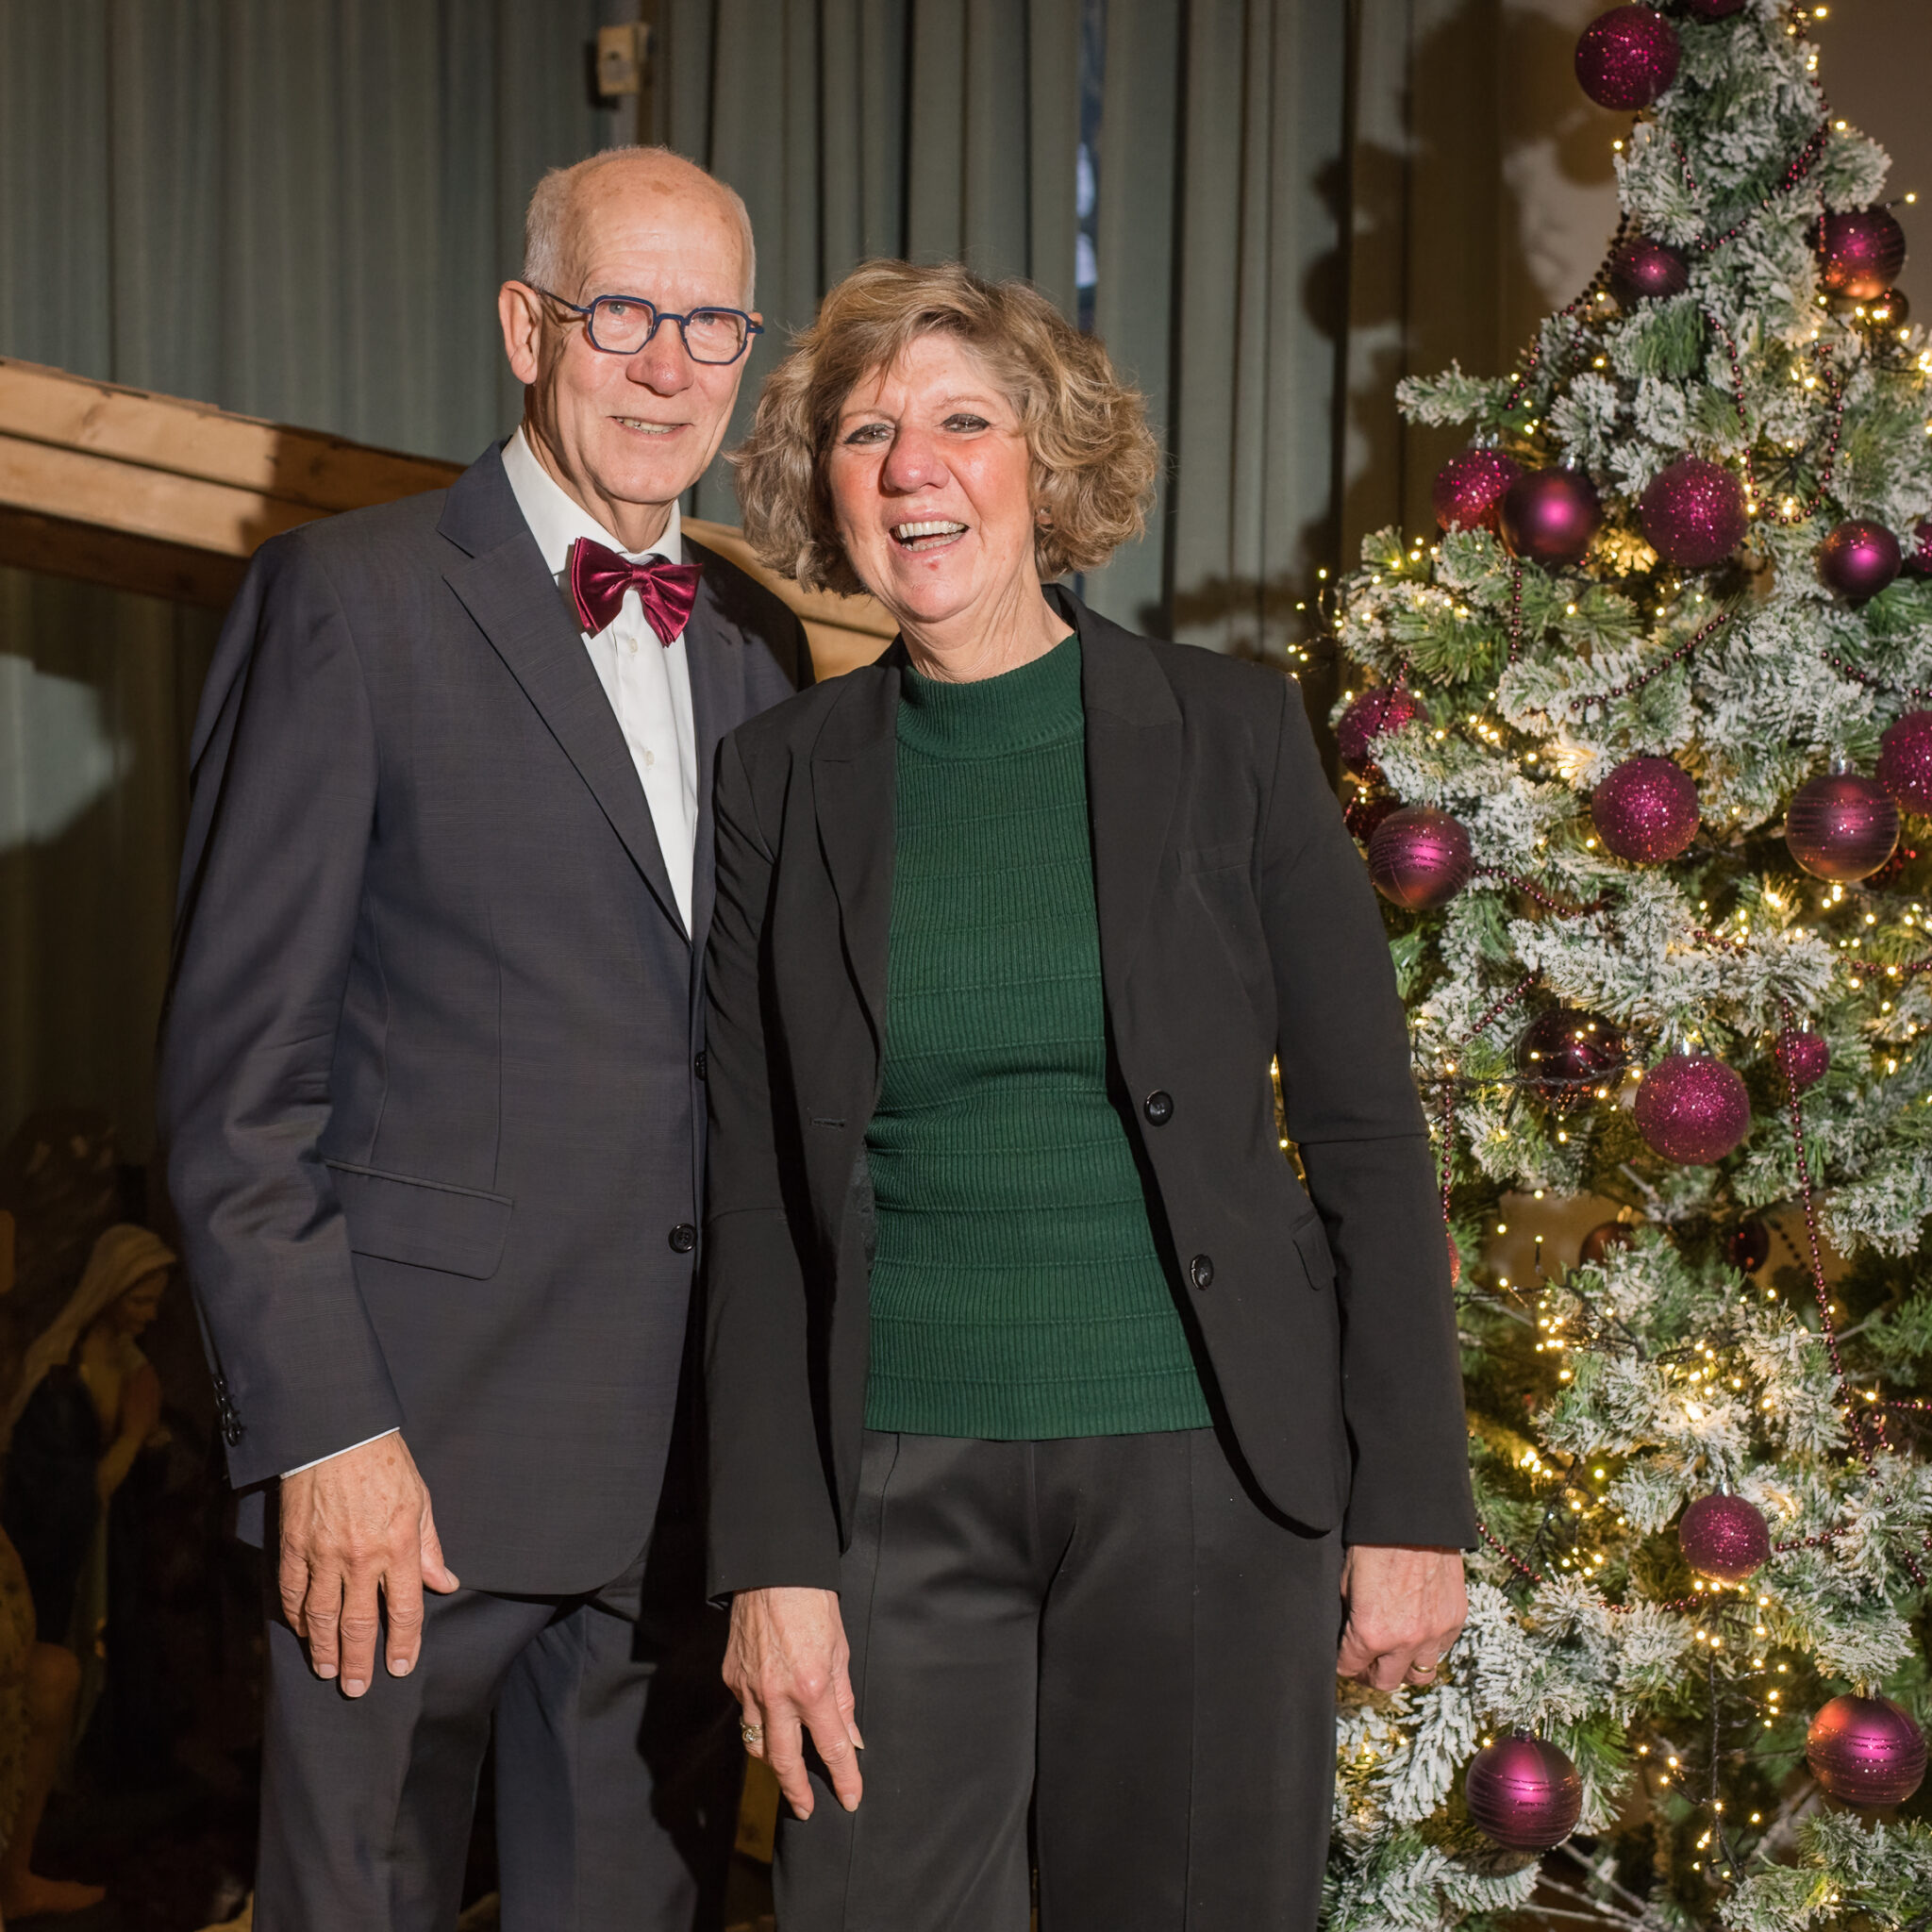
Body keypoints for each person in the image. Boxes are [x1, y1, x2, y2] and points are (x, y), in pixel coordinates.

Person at [704, 259, 1477, 1930]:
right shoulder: (775, 778)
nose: (914, 469)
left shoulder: (1232, 734)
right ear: (824, 489)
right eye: (866, 434)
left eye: (964, 423)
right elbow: (754, 1186)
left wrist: (1415, 1502)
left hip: (1204, 1468)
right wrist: (771, 1555)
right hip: (888, 1482)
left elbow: (1364, 1132)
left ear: (1048, 464)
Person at [158, 146, 811, 1932]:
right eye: (623, 312)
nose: (668, 365)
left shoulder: (761, 642)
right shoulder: (345, 600)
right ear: (528, 328)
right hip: (405, 1490)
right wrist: (324, 1437)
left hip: (674, 1498)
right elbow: (237, 1093)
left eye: (711, 323)